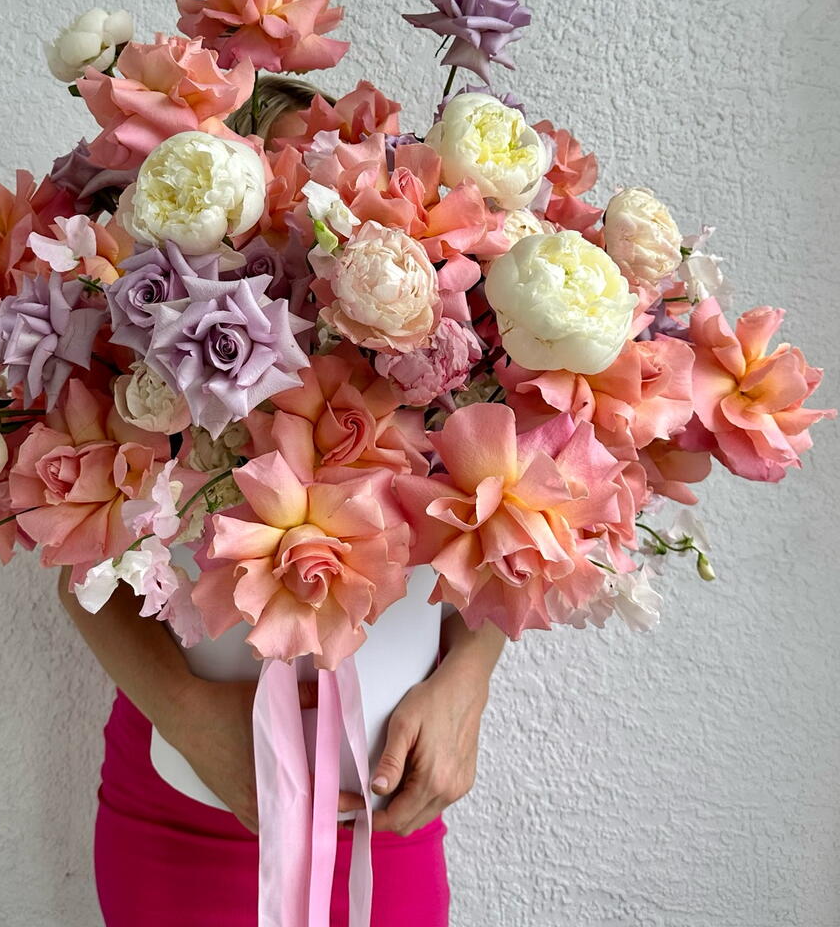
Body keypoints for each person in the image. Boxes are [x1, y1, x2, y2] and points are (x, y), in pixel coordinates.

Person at [57, 77, 508, 927]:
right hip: (188, 796)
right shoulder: (141, 347)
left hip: (384, 810)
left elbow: (501, 538)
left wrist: (467, 682)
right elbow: (79, 568)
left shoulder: (449, 346)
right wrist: (192, 719)